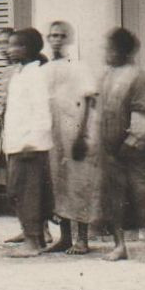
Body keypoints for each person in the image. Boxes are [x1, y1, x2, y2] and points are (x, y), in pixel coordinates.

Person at [99, 28, 145, 263]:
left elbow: (144, 113)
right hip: (110, 150)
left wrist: (131, 142)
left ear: (123, 51)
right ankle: (120, 245)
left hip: (134, 151)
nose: (107, 53)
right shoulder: (106, 76)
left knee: (142, 195)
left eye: (111, 49)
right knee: (115, 198)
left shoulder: (137, 77)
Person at [46, 21, 102, 255]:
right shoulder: (46, 69)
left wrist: (81, 134)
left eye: (61, 35)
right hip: (54, 133)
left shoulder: (79, 67)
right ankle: (65, 237)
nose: (57, 39)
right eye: (52, 36)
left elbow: (90, 100)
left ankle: (82, 240)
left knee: (79, 183)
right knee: (58, 183)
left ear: (68, 39)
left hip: (76, 130)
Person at [1, 28, 53, 257]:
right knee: (15, 191)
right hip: (16, 143)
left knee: (28, 193)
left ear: (30, 48)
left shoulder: (37, 74)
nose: (10, 50)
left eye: (17, 45)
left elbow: (42, 110)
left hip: (30, 145)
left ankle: (32, 241)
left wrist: (32, 140)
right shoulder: (19, 74)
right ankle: (37, 238)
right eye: (10, 45)